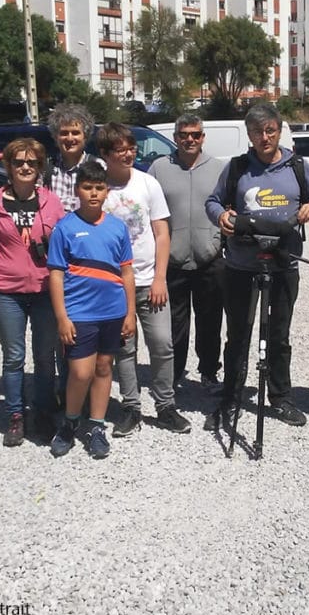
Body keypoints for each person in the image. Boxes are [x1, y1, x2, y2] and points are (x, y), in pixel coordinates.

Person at [204, 103, 309, 428]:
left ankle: (281, 398)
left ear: (279, 130)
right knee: (238, 335)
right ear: (249, 134)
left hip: (284, 263)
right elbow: (213, 201)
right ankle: (231, 398)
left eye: (270, 130)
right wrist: (221, 216)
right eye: (257, 132)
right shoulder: (237, 168)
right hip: (242, 265)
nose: (264, 137)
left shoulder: (297, 166)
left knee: (279, 335)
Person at [0, 138, 65, 446]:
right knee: (13, 357)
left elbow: (64, 247)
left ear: (40, 168)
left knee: (44, 356)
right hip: (8, 292)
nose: (26, 167)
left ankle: (43, 412)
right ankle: (15, 415)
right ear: (8, 167)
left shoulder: (51, 202)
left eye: (32, 163)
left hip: (43, 290)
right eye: (19, 162)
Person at [99, 122, 191, 435]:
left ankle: (165, 405)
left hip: (149, 278)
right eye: (119, 150)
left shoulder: (147, 183)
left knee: (163, 344)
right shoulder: (99, 187)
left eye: (130, 148)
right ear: (105, 154)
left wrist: (160, 278)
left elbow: (162, 232)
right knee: (124, 348)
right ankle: (130, 407)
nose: (127, 154)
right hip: (113, 285)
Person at [46, 162, 136, 459]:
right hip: (80, 313)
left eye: (99, 188)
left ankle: (96, 426)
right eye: (88, 187)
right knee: (80, 372)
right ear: (77, 190)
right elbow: (56, 275)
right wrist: (62, 317)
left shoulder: (116, 227)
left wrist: (129, 311)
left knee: (103, 367)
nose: (94, 193)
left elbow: (126, 273)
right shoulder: (65, 228)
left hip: (112, 311)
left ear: (106, 191)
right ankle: (71, 422)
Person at [148, 114, 226, 390]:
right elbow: (149, 212)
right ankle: (175, 374)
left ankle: (208, 372)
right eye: (184, 134)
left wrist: (219, 242)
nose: (189, 139)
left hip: (210, 258)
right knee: (174, 325)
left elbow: (228, 210)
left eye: (195, 134)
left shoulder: (218, 168)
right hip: (173, 260)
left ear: (203, 137)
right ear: (175, 137)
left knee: (210, 322)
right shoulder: (159, 169)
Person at [44, 104, 102, 214]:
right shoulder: (46, 169)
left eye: (75, 133)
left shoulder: (99, 166)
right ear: (56, 137)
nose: (70, 138)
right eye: (64, 133)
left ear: (85, 136)